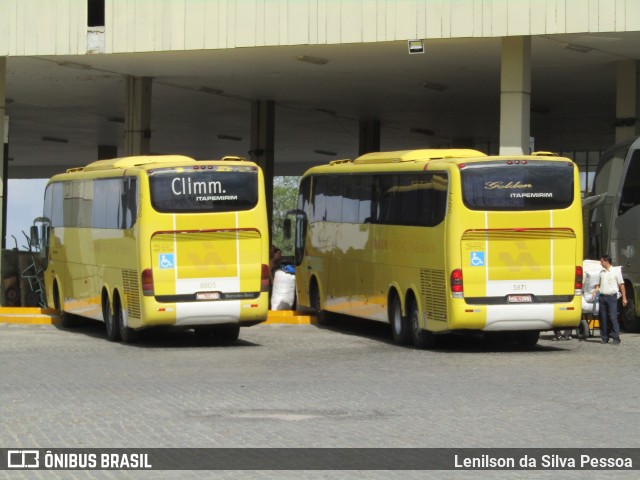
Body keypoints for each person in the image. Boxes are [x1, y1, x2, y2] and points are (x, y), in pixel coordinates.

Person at [592, 254, 627, 345]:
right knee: (603, 318)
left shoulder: (615, 271)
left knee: (613, 317)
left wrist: (624, 298)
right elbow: (598, 285)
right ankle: (604, 337)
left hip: (612, 297)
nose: (601, 263)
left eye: (602, 261)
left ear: (606, 262)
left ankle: (616, 338)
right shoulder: (601, 273)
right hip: (602, 297)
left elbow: (621, 285)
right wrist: (595, 291)